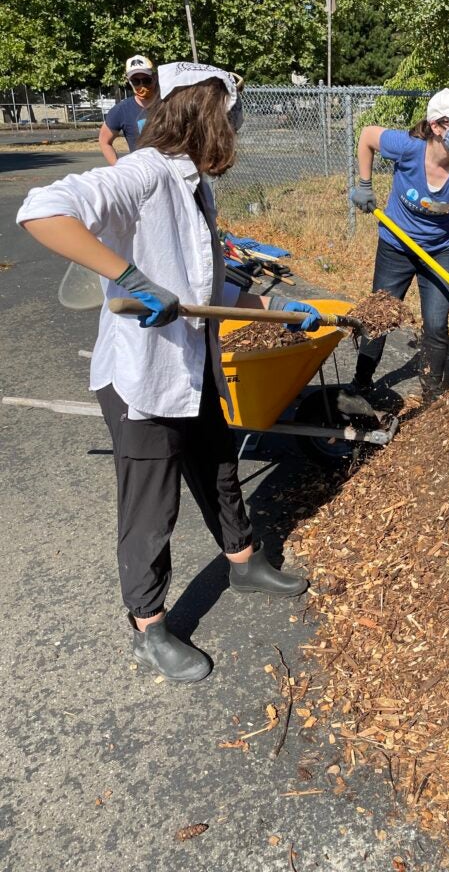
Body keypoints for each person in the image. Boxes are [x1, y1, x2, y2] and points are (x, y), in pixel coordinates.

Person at [17, 62, 321, 684]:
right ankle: (149, 626)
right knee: (151, 508)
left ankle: (242, 561)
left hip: (190, 365)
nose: (236, 130)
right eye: (232, 118)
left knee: (218, 467)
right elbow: (41, 208)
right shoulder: (145, 174)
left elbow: (201, 285)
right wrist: (129, 277)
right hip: (142, 379)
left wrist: (275, 311)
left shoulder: (194, 186)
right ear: (209, 116)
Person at [348, 87, 449, 400]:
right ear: (437, 126)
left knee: (437, 324)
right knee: (378, 317)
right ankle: (359, 386)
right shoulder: (409, 147)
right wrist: (364, 184)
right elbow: (368, 135)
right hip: (396, 245)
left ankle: (432, 398)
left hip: (441, 250)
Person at [98, 54, 158, 165]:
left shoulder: (170, 104)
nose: (142, 85)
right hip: (142, 175)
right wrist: (118, 168)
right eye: (136, 81)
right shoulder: (122, 110)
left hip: (172, 173)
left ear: (154, 78)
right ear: (129, 81)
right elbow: (104, 141)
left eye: (146, 80)